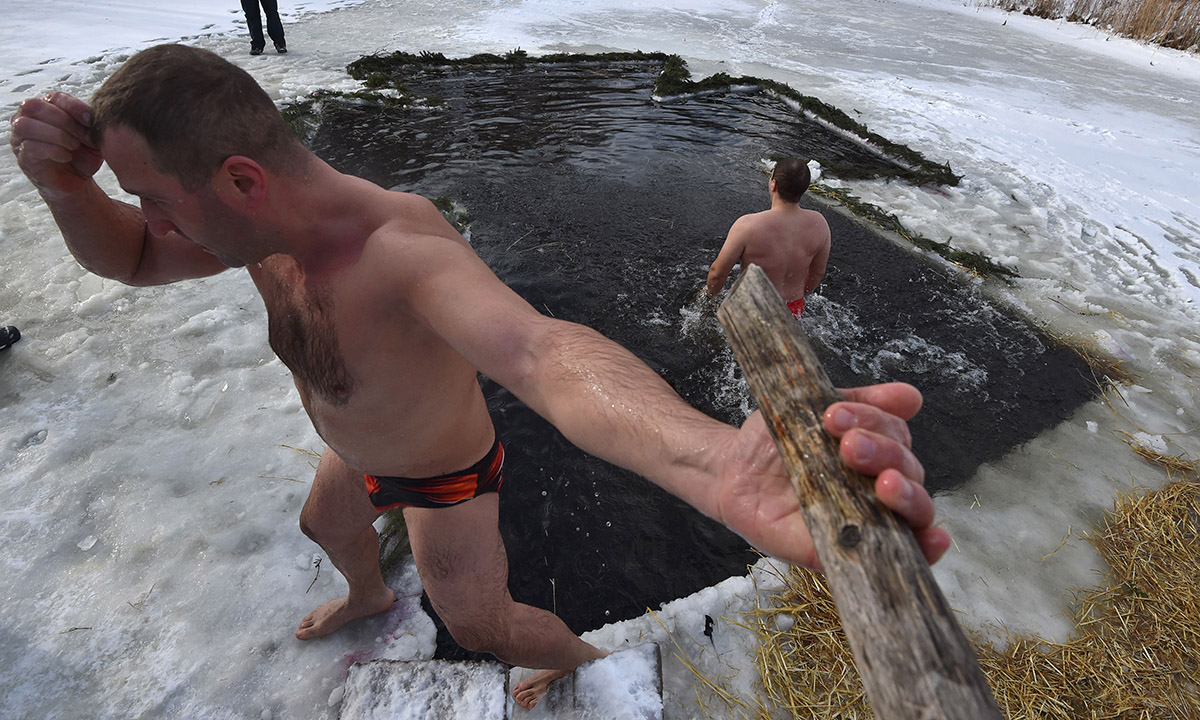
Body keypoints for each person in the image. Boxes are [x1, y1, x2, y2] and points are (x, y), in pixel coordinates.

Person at [9, 44, 949, 711]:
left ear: (243, 179)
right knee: (321, 523)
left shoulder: (398, 248)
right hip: (354, 447)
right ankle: (372, 595)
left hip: (442, 476)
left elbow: (541, 353)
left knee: (487, 622)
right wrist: (65, 187)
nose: (156, 224)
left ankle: (592, 662)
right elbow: (129, 259)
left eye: (158, 201)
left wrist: (713, 462)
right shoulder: (253, 228)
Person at [706, 157, 830, 317]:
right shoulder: (820, 224)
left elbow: (717, 274)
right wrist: (800, 293)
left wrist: (710, 299)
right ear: (804, 188)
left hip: (752, 308)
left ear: (774, 184)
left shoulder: (748, 225)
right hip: (793, 308)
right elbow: (818, 272)